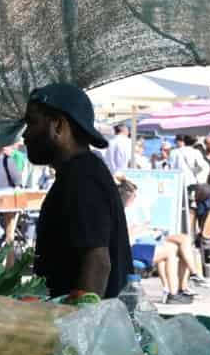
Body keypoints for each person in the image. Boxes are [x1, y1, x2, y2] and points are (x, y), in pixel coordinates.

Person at [22, 83, 131, 299]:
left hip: (85, 328)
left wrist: (80, 326)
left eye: (32, 123)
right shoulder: (78, 173)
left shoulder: (82, 178)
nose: (25, 135)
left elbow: (98, 263)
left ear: (59, 126)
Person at [118, 178, 203, 304]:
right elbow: (125, 235)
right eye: (133, 195)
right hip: (133, 247)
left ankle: (176, 291)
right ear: (126, 195)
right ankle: (175, 291)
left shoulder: (128, 209)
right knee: (170, 251)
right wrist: (141, 228)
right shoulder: (121, 210)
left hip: (142, 241)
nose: (135, 198)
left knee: (176, 246)